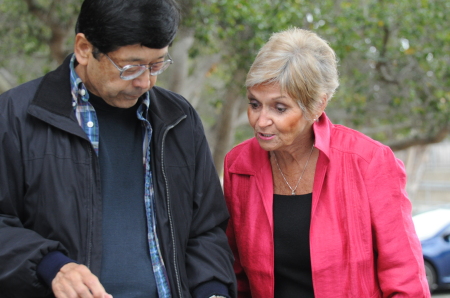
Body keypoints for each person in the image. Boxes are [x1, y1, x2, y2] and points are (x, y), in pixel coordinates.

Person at [0, 0, 236, 297]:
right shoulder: (14, 116)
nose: (145, 81)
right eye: (131, 67)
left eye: (157, 64)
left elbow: (206, 229)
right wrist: (51, 266)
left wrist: (213, 291)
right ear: (84, 48)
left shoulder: (179, 119)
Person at [223, 27, 430, 298]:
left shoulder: (369, 162)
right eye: (254, 104)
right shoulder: (238, 165)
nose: (261, 121)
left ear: (317, 105)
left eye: (279, 107)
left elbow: (406, 280)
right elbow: (235, 275)